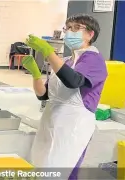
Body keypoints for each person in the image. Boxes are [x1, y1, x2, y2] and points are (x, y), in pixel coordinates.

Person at [21, 14, 107, 179]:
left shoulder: (93, 59)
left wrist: (48, 52)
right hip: (51, 123)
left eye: (76, 28)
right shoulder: (66, 61)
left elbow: (73, 81)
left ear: (90, 34)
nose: (69, 32)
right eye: (67, 28)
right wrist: (35, 74)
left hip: (73, 126)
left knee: (63, 171)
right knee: (42, 168)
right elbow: (43, 95)